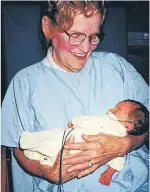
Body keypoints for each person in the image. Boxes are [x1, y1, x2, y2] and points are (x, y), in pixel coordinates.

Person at [2, 1, 149, 192]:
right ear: (48, 28)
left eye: (94, 36)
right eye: (76, 36)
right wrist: (46, 172)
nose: (86, 47)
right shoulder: (25, 83)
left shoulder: (116, 67)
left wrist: (128, 143)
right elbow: (17, 148)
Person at [19, 99, 149, 186]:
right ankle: (38, 155)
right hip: (76, 149)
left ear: (129, 125)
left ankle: (27, 141)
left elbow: (88, 121)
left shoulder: (110, 124)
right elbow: (118, 161)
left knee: (50, 139)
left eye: (117, 110)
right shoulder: (120, 139)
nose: (111, 109)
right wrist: (108, 173)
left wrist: (76, 120)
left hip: (73, 141)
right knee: (53, 149)